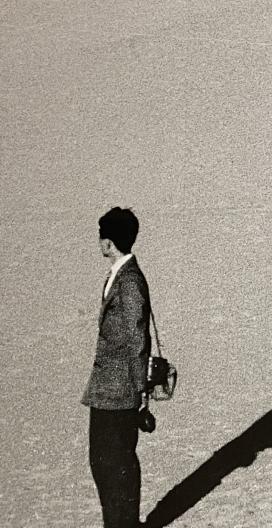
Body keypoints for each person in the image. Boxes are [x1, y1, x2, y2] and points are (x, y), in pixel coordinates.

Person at [82, 206, 151, 528]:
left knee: (115, 463)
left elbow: (137, 335)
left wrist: (139, 390)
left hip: (119, 390)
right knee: (104, 462)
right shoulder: (121, 275)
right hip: (108, 388)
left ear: (109, 242)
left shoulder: (130, 281)